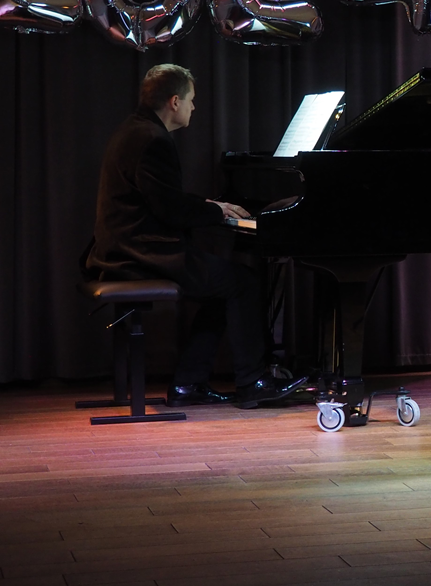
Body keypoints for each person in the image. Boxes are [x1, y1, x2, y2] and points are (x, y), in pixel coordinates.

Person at [84, 64, 307, 409]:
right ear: (174, 102)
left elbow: (161, 197)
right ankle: (252, 383)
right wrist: (217, 212)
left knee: (224, 288)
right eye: (190, 99)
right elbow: (170, 210)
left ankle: (189, 383)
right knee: (243, 283)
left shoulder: (135, 129)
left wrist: (209, 205)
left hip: (124, 246)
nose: (194, 107)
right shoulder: (153, 140)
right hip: (139, 253)